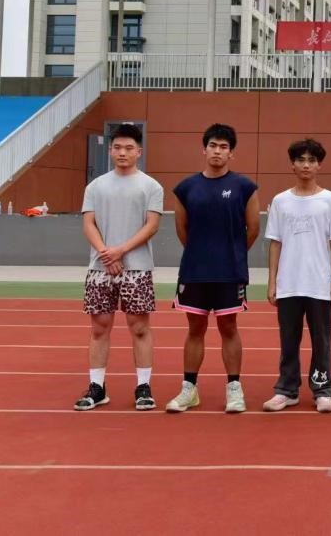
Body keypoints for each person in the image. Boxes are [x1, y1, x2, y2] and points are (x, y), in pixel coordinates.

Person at [165, 124, 260, 414]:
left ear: (231, 153)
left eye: (223, 147)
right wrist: (200, 254)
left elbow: (253, 229)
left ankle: (234, 388)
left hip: (230, 271)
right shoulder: (185, 188)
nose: (217, 151)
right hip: (195, 270)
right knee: (195, 328)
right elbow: (182, 230)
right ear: (203, 149)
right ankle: (189, 389)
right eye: (213, 146)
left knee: (229, 327)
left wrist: (231, 254)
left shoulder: (245, 187)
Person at [74, 123, 164, 411]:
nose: (122, 152)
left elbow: (151, 226)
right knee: (99, 327)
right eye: (117, 147)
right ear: (110, 151)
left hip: (137, 268)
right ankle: (97, 387)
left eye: (128, 148)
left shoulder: (151, 186)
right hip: (100, 268)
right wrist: (106, 253)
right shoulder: (95, 186)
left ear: (139, 152)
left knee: (139, 327)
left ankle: (143, 387)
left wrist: (120, 251)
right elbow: (88, 223)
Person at [263, 138, 331, 413]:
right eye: (301, 160)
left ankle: (323, 390)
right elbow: (275, 243)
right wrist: (272, 281)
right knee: (289, 340)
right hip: (288, 283)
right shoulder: (280, 201)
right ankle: (287, 390)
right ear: (292, 165)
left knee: (321, 340)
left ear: (319, 165)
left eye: (312, 160)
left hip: (319, 283)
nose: (306, 165)